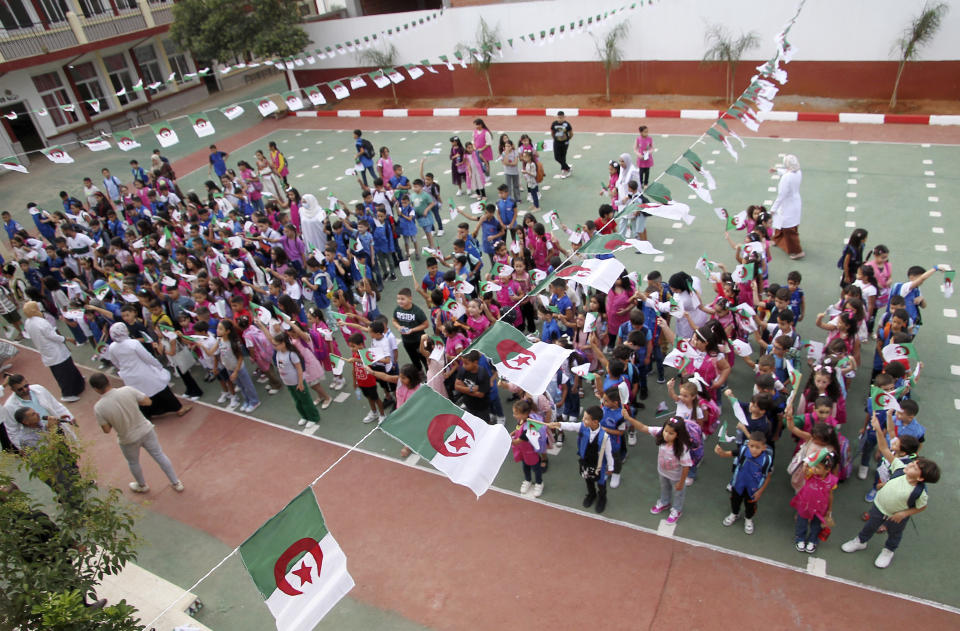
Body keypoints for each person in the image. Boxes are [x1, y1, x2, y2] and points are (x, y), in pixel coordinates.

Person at [842, 414, 940, 568]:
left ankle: (888, 550)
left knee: (895, 534)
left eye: (914, 467)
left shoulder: (920, 492)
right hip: (879, 506)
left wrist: (904, 514)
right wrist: (878, 429)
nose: (910, 465)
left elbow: (922, 506)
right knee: (870, 526)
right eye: (913, 463)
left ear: (921, 478)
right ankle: (861, 541)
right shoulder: (900, 467)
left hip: (896, 516)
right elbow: (883, 448)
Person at [89, 372, 184, 494]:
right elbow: (147, 402)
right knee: (159, 455)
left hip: (127, 438)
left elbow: (106, 430)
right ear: (108, 381)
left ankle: (142, 485)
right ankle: (176, 482)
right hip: (145, 429)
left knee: (133, 462)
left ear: (96, 389)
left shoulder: (99, 407)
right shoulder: (127, 390)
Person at [101, 322, 191, 419]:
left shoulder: (112, 347)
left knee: (140, 395)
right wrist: (158, 365)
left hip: (129, 376)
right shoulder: (133, 343)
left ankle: (148, 414)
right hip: (143, 371)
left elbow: (115, 362)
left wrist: (123, 370)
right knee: (161, 388)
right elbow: (147, 357)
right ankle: (178, 408)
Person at [547, 406, 614, 513]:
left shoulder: (605, 437)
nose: (583, 420)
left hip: (599, 465)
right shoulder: (583, 427)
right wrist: (558, 424)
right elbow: (572, 426)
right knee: (588, 479)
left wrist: (611, 467)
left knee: (601, 483)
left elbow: (609, 453)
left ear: (595, 422)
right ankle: (591, 494)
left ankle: (602, 498)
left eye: (586, 418)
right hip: (585, 462)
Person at [22, 301, 84, 402]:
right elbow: (52, 336)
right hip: (55, 351)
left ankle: (79, 382)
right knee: (64, 373)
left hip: (48, 351)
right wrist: (67, 339)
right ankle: (67, 394)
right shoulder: (41, 322)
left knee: (67, 369)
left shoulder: (28, 322)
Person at [715, 432, 773, 534]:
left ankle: (748, 519)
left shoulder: (766, 460)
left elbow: (768, 477)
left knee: (750, 506)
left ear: (764, 448)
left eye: (757, 447)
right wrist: (720, 452)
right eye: (751, 446)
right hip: (738, 484)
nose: (754, 449)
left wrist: (760, 492)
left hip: (753, 489)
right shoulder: (743, 450)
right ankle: (734, 513)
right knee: (735, 501)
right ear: (748, 444)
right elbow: (727, 454)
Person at [3, 374, 74, 451]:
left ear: (27, 381)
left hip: (55, 427)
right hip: (38, 439)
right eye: (20, 389)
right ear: (12, 389)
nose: (25, 390)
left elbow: (55, 404)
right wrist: (23, 449)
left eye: (26, 386)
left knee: (67, 452)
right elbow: (13, 431)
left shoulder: (39, 389)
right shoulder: (9, 407)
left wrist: (70, 416)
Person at [771, 154, 804, 259]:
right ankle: (776, 239)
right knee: (781, 223)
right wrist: (777, 170)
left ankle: (797, 251)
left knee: (788, 228)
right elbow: (787, 172)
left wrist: (773, 209)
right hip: (795, 202)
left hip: (787, 205)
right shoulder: (798, 172)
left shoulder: (786, 178)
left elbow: (781, 195)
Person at [453, 350, 491, 423]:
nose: (463, 365)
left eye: (466, 363)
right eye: (463, 363)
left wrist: (463, 389)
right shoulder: (463, 370)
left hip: (482, 407)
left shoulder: (482, 374)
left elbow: (480, 394)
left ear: (475, 362)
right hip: (469, 404)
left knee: (485, 424)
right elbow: (456, 386)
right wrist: (471, 389)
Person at [549, 111, 573, 177]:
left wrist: (567, 139)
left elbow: (571, 133)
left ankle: (563, 168)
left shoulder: (567, 124)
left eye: (561, 118)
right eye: (559, 118)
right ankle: (568, 168)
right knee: (557, 157)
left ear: (564, 117)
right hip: (557, 142)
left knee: (563, 156)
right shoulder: (554, 124)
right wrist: (555, 139)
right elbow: (552, 132)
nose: (560, 119)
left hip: (565, 142)